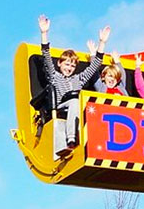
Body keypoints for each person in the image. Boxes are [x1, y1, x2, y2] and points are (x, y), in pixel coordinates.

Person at [36, 15, 110, 159]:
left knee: (86, 105)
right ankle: (71, 139)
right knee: (75, 102)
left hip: (75, 108)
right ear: (60, 64)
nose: (69, 68)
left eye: (72, 65)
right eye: (66, 64)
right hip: (61, 105)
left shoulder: (78, 79)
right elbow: (46, 57)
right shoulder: (55, 76)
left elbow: (95, 66)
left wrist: (102, 43)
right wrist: (44, 34)